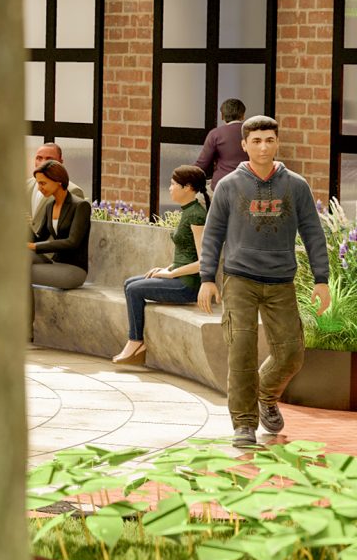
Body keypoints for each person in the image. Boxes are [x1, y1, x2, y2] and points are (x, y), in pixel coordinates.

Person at [198, 115, 330, 447]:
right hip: (239, 279)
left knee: (291, 354)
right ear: (244, 145)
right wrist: (206, 278)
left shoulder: (295, 185)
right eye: (255, 141)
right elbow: (212, 234)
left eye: (269, 140)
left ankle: (265, 394)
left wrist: (321, 278)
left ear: (277, 143)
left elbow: (313, 233)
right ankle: (244, 424)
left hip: (280, 280)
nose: (263, 146)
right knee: (241, 351)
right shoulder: (228, 186)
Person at [114, 165, 208, 365]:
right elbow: (185, 254)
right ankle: (136, 341)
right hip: (178, 275)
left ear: (188, 187)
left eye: (173, 184)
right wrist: (166, 269)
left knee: (134, 290)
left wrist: (171, 275)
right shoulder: (188, 211)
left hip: (187, 286)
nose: (170, 188)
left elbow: (203, 262)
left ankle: (136, 342)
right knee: (129, 283)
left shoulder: (196, 215)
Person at [28, 161, 92, 289]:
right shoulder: (50, 206)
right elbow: (39, 237)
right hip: (55, 263)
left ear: (58, 181)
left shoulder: (80, 206)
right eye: (38, 183)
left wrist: (34, 246)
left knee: (19, 272)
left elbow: (72, 242)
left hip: (74, 270)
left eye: (43, 183)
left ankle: (23, 309)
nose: (39, 188)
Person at [27, 142, 88, 225]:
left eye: (49, 159)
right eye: (39, 158)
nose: (43, 163)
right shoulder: (25, 186)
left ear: (60, 162)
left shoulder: (73, 191)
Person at [196, 98, 249, 192]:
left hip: (222, 186)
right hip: (248, 185)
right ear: (243, 115)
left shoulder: (216, 134)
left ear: (222, 116)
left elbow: (202, 164)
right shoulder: (252, 133)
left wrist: (182, 175)